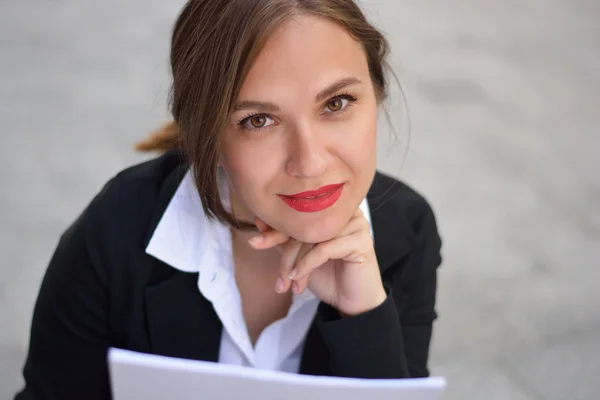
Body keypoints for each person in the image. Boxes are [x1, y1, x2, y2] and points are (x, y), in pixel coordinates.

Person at [15, 0, 443, 399]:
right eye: (259, 120)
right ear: (208, 133)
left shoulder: (408, 232)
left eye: (337, 102)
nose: (310, 162)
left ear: (376, 94)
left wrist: (364, 316)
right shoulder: (117, 229)